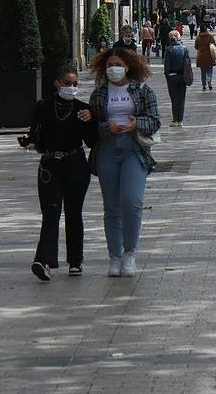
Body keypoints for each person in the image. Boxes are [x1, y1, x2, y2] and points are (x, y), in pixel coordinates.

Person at [88, 47, 161, 277]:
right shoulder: (99, 94)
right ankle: (114, 256)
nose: (113, 69)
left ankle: (130, 252)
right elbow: (91, 128)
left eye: (117, 65)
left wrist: (135, 123)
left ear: (127, 66)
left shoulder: (142, 91)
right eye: (109, 65)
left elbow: (155, 121)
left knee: (131, 201)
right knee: (111, 206)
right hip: (108, 150)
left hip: (133, 149)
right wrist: (105, 127)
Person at [19, 64, 95, 281]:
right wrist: (29, 142)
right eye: (67, 83)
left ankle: (75, 260)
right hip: (50, 165)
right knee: (50, 213)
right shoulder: (43, 107)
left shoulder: (82, 108)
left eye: (74, 84)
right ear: (57, 83)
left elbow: (91, 140)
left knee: (73, 212)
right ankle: (43, 260)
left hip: (75, 164)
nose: (71, 88)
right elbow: (35, 135)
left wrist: (91, 118)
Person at [162, 29, 191, 126]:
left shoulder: (169, 49)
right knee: (181, 98)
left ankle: (175, 119)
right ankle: (180, 120)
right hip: (182, 76)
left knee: (174, 99)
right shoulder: (184, 48)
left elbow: (167, 66)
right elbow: (188, 63)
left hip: (172, 76)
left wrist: (167, 75)